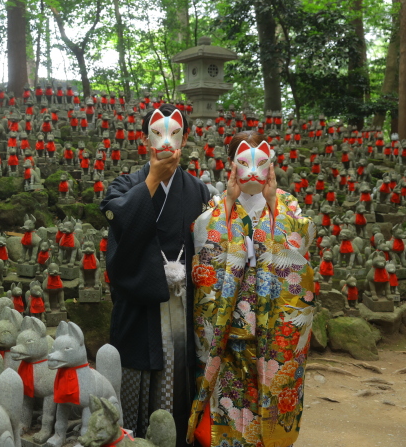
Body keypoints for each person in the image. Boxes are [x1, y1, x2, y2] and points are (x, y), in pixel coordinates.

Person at [187, 131, 315, 447]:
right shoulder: (218, 205)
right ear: (231, 164)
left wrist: (270, 211)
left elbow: (301, 252)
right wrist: (229, 205)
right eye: (244, 161)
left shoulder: (287, 204)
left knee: (269, 395)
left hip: (274, 324)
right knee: (229, 399)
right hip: (229, 325)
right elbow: (204, 255)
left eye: (262, 161)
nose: (254, 169)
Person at [100, 103, 210, 444]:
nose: (166, 141)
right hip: (142, 301)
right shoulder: (124, 185)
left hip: (182, 301)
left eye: (175, 133)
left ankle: (176, 437)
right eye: (157, 133)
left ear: (185, 139)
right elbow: (120, 222)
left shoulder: (198, 190)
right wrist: (151, 181)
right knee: (137, 372)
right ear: (145, 140)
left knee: (179, 369)